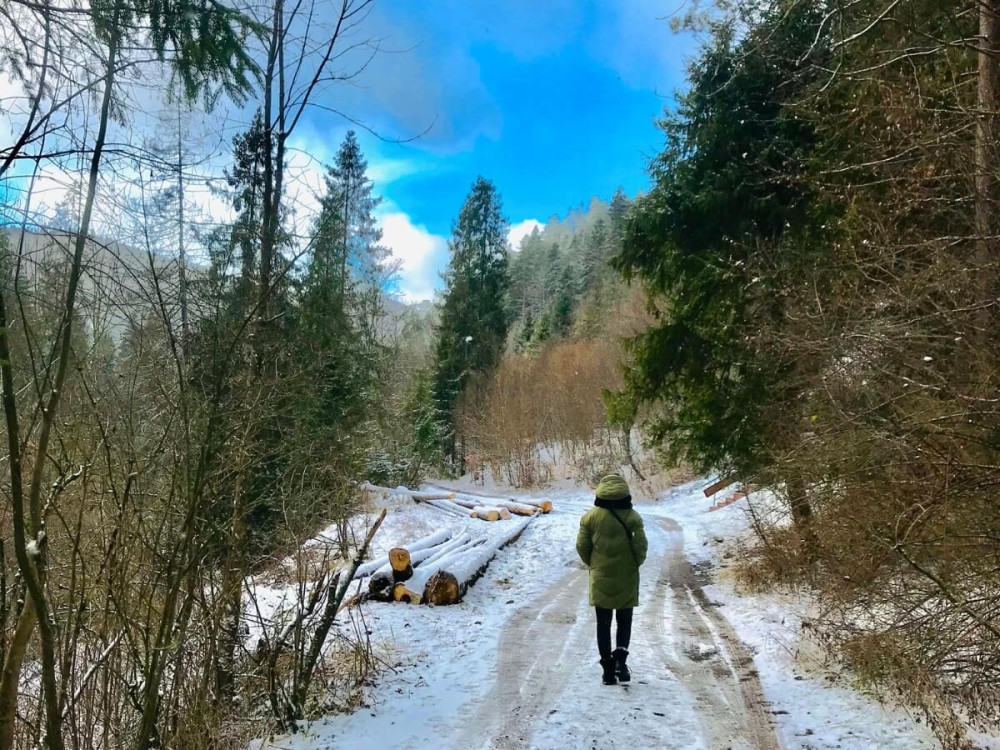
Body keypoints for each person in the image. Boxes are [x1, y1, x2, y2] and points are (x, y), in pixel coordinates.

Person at [576, 473, 648, 685]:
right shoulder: (633, 517)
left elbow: (581, 546)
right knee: (624, 621)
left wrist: (594, 564)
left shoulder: (590, 517)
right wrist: (634, 563)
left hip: (601, 576)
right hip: (627, 576)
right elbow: (641, 546)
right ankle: (621, 664)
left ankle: (607, 670)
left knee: (603, 623)